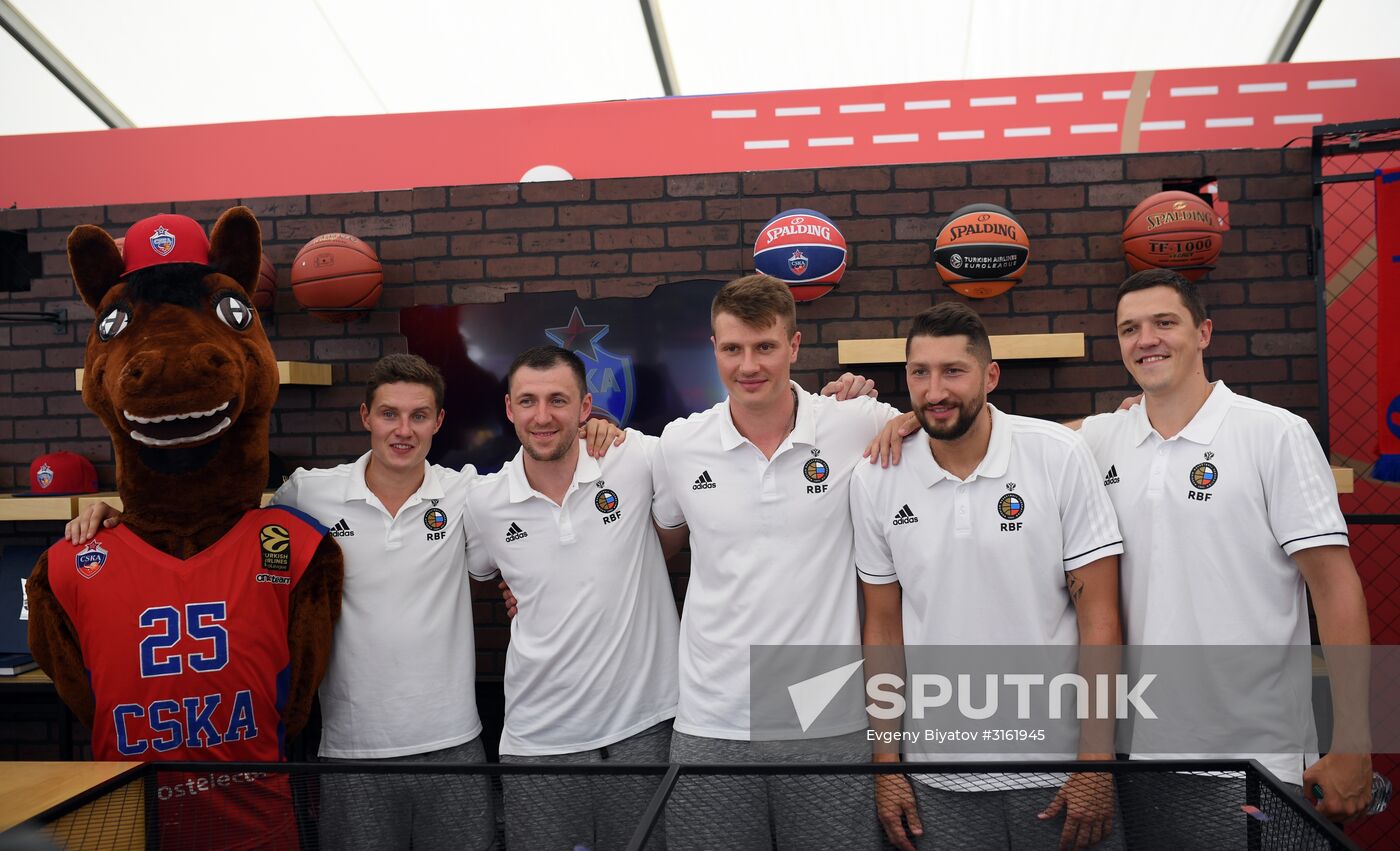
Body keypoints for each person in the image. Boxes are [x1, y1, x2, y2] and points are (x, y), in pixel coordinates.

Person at [66, 353, 621, 850]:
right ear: (365, 417)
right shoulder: (310, 492)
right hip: (350, 752)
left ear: (439, 422)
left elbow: (539, 519)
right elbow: (218, 525)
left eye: (419, 416)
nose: (403, 431)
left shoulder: (467, 493)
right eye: (389, 415)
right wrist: (120, 516)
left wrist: (596, 428)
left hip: (455, 743)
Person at [1074, 268, 1373, 837]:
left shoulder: (1273, 433)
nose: (1147, 340)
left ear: (1204, 333)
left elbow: (1334, 588)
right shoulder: (1102, 437)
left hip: (1253, 756)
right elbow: (1000, 440)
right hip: (1135, 753)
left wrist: (1355, 741)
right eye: (1129, 329)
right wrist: (917, 420)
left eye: (1165, 323)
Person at [854, 302, 1125, 851]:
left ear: (990, 375)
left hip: (1057, 770)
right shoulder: (875, 477)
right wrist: (887, 766)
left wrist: (1095, 765)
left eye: (953, 371)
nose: (934, 391)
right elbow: (883, 629)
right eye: (919, 373)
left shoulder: (1057, 455)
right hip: (937, 775)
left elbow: (1099, 616)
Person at [649, 274, 902, 849]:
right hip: (712, 719)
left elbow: (943, 431)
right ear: (712, 348)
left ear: (794, 345)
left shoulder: (855, 422)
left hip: (827, 717)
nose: (748, 365)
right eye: (732, 348)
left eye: (764, 347)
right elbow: (654, 546)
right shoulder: (678, 445)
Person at [461, 345, 680, 851]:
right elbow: (484, 574)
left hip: (642, 729)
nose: (543, 416)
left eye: (558, 400)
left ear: (586, 409)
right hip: (538, 740)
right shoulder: (484, 502)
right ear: (510, 408)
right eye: (529, 401)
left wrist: (845, 399)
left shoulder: (636, 459)